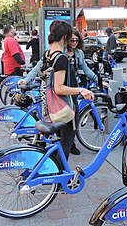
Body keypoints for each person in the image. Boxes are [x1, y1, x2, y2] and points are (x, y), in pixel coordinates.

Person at [19, 20, 94, 160]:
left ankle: (56, 172)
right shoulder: (61, 58)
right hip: (64, 107)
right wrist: (81, 90)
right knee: (66, 144)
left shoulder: (48, 54)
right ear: (65, 37)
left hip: (50, 105)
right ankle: (59, 179)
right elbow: (59, 88)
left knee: (59, 142)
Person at [66, 28, 98, 155]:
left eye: (76, 40)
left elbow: (86, 69)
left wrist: (98, 80)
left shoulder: (79, 53)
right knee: (64, 118)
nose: (74, 42)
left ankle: (70, 143)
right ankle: (67, 144)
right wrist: (27, 78)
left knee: (74, 117)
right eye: (71, 40)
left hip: (74, 88)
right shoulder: (60, 52)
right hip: (63, 89)